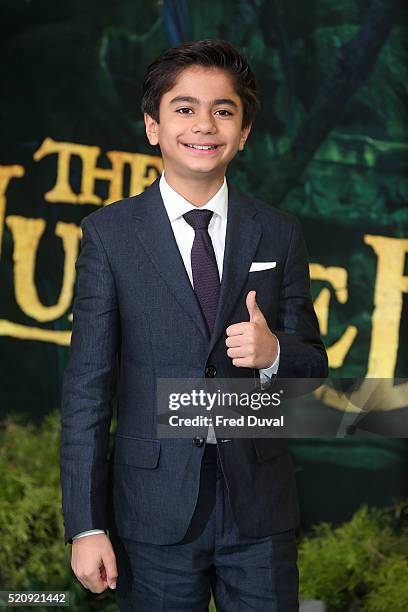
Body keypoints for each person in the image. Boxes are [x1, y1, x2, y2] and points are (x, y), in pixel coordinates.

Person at [61, 39, 328, 611]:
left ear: (245, 130)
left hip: (259, 513)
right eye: (184, 109)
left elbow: (313, 365)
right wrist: (85, 526)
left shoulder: (278, 233)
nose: (204, 124)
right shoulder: (109, 236)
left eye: (223, 110)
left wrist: (275, 352)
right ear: (153, 126)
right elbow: (87, 390)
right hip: (151, 513)